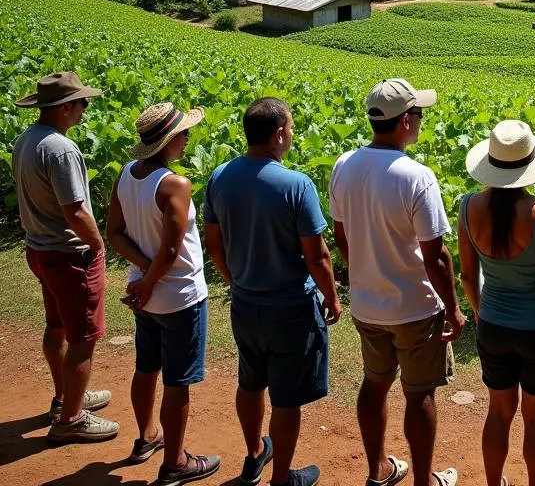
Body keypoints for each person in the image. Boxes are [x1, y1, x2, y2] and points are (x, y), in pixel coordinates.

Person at [330, 77, 463, 486]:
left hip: (367, 306)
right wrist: (454, 308)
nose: (421, 120)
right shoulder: (416, 176)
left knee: (374, 383)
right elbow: (436, 256)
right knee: (419, 393)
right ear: (406, 120)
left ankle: (378, 471)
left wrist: (366, 272)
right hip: (415, 308)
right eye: (419, 114)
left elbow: (340, 237)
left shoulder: (343, 164)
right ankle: (423, 481)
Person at [204, 98, 342, 486]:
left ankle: (254, 454)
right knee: (286, 398)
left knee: (249, 382)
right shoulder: (297, 184)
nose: (293, 135)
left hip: (245, 302)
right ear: (279, 134)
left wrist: (233, 278)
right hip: (291, 309)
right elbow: (317, 256)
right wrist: (332, 297)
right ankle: (282, 477)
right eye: (292, 129)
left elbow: (212, 241)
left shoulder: (220, 176)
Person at [458, 120, 535, 486]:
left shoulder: (468, 208)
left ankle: (494, 482)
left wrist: (481, 313)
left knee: (498, 412)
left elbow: (467, 277)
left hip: (494, 324)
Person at [106, 102, 220, 483]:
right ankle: (175, 463)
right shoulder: (175, 184)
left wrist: (142, 279)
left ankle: (147, 436)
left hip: (144, 295)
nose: (188, 140)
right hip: (179, 296)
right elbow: (171, 251)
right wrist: (151, 279)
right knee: (178, 381)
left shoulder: (125, 175)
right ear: (169, 141)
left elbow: (115, 234)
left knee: (145, 367)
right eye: (184, 134)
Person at [12, 71, 119, 444]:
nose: (86, 110)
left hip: (38, 249)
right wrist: (98, 244)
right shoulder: (61, 148)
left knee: (56, 325)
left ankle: (65, 397)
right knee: (83, 338)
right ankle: (71, 419)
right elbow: (75, 210)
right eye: (82, 104)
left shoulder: (26, 139)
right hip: (69, 254)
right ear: (65, 108)